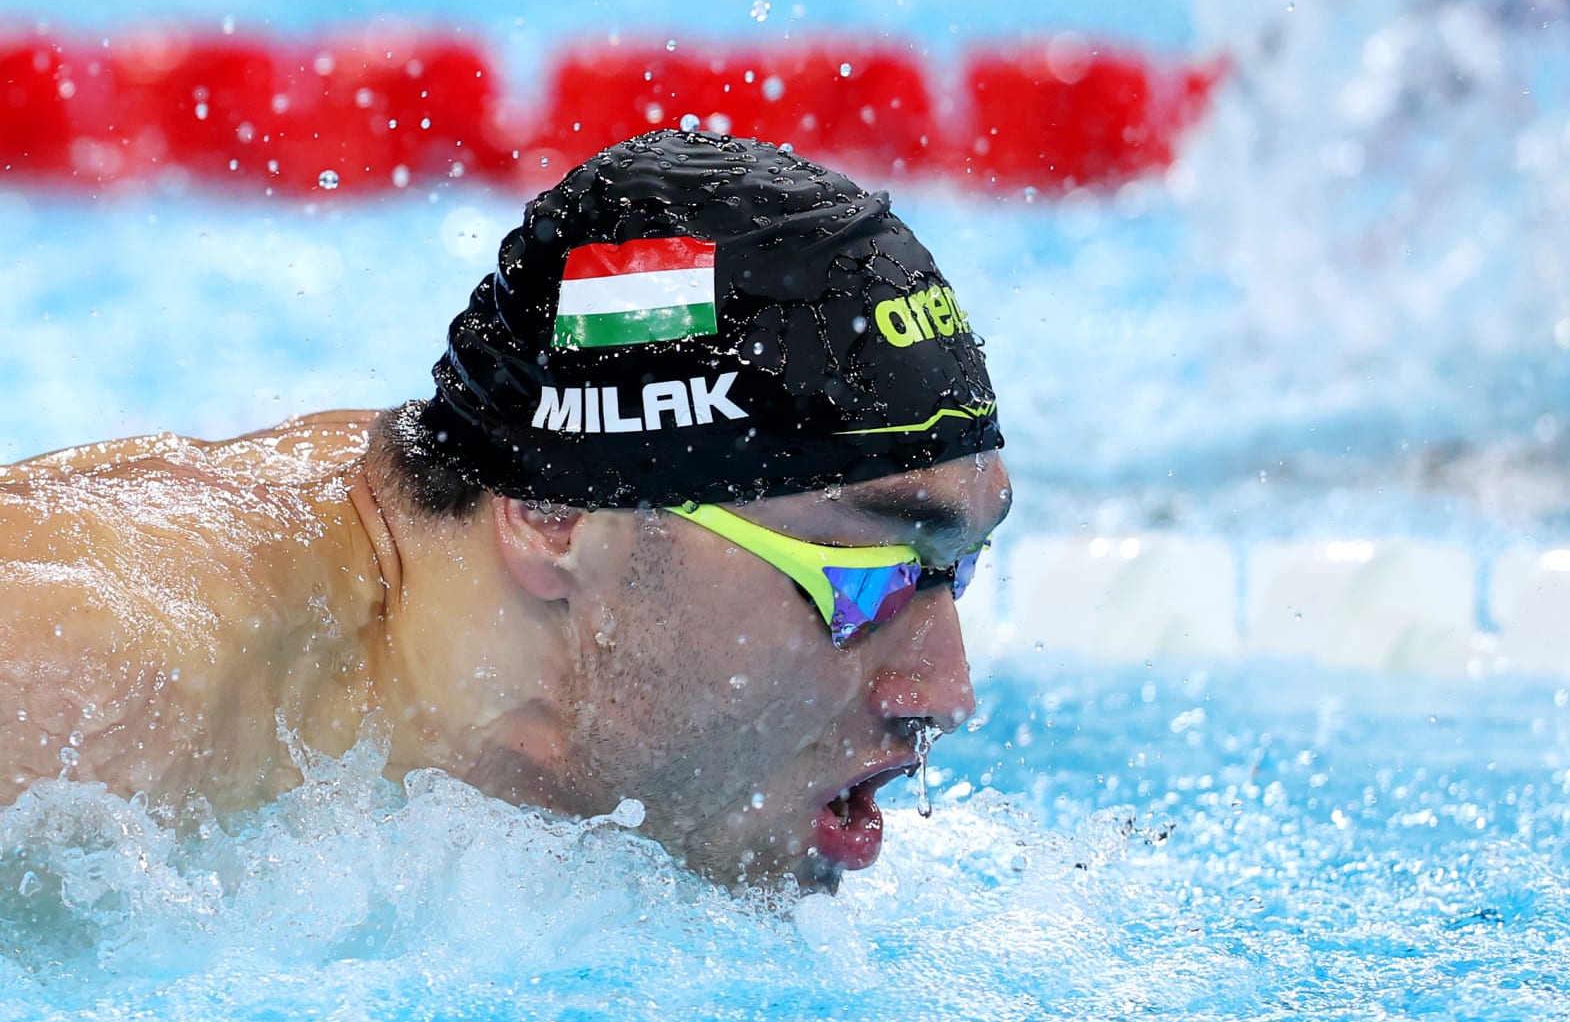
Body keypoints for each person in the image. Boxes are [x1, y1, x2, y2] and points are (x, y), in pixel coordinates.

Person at [0, 130, 1010, 894]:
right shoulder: (80, 691)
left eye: (955, 569)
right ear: (558, 513)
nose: (946, 693)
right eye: (867, 581)